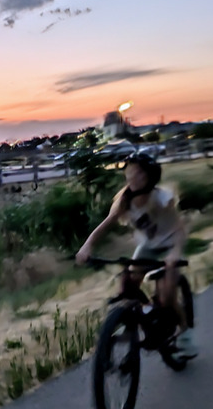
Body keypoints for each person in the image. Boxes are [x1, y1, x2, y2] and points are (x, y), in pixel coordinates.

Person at [75, 152, 197, 359]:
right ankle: (138, 317)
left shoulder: (161, 199)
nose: (132, 176)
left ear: (150, 177)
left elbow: (179, 229)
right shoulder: (124, 200)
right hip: (148, 246)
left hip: (169, 246)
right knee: (128, 286)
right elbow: (104, 226)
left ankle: (185, 333)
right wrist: (87, 247)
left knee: (167, 297)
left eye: (139, 173)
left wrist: (175, 254)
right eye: (130, 171)